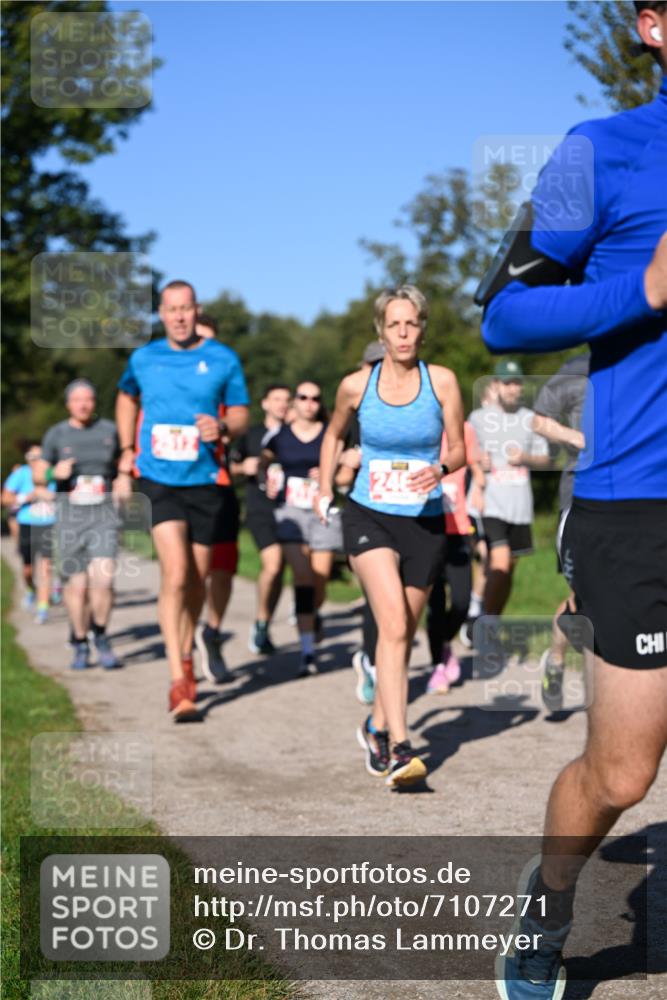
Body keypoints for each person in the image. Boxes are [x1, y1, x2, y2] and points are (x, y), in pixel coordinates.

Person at [479, 5, 667, 996]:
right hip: (639, 500)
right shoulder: (600, 152)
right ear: (651, 25)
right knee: (623, 773)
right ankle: (546, 910)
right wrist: (642, 286)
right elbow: (503, 315)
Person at [319, 285, 465, 787]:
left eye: (412, 324)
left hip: (423, 520)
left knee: (399, 632)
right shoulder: (355, 386)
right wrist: (323, 489)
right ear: (380, 331)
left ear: (422, 328)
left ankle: (376, 725)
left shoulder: (442, 381)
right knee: (396, 625)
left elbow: (462, 448)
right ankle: (402, 749)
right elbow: (333, 434)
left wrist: (441, 467)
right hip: (368, 515)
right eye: (393, 325)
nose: (403, 333)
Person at [116, 280, 249, 721]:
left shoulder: (222, 358)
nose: (178, 316)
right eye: (171, 309)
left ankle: (188, 651)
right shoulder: (143, 357)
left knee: (198, 577)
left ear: (197, 311)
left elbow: (243, 414)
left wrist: (224, 429)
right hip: (157, 477)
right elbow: (124, 396)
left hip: (205, 478)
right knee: (174, 573)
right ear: (161, 312)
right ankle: (179, 678)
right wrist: (125, 450)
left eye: (186, 309)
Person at [34, 380, 124, 669]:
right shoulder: (56, 433)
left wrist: (125, 480)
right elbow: (38, 475)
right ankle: (80, 640)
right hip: (70, 517)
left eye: (88, 399)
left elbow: (125, 463)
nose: (83, 405)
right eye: (77, 400)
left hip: (104, 514)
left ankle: (100, 633)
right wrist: (52, 471)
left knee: (104, 579)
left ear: (95, 402)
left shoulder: (110, 430)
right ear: (68, 404)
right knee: (78, 586)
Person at [468, 360, 550, 663]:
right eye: (506, 382)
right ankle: (483, 624)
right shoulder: (479, 418)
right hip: (490, 502)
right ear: (496, 386)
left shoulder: (531, 419)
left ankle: (489, 622)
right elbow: (463, 450)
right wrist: (479, 464)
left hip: (520, 505)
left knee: (509, 568)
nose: (512, 388)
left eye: (516, 383)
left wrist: (525, 456)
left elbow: (544, 458)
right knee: (498, 560)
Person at [261, 380, 343, 676]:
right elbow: (264, 462)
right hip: (291, 512)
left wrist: (330, 472)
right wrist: (267, 476)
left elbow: (346, 468)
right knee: (303, 576)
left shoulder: (331, 435)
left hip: (323, 511)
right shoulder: (279, 436)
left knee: (319, 580)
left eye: (315, 398)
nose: (309, 402)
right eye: (303, 397)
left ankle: (312, 614)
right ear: (295, 402)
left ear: (320, 403)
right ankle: (308, 652)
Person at [532, 354, 589, 711]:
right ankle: (555, 660)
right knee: (583, 595)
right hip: (582, 497)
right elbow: (537, 419)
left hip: (643, 500)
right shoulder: (579, 368)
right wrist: (577, 438)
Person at [192, 312, 243, 683]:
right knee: (187, 573)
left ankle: (211, 630)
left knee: (223, 570)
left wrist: (225, 429)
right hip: (179, 490)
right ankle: (182, 649)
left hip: (220, 485)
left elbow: (241, 421)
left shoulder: (225, 381)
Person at [229, 384, 292, 656]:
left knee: (279, 571)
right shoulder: (251, 434)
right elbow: (228, 467)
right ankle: (261, 621)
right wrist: (243, 467)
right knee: (274, 562)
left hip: (291, 510)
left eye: (286, 400)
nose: (281, 404)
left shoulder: (297, 435)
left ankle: (264, 622)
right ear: (265, 403)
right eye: (276, 398)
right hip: (260, 509)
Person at [426, 421, 484, 693]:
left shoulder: (465, 430)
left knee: (462, 601)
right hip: (426, 529)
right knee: (435, 603)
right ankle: (438, 665)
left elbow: (474, 467)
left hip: (459, 528)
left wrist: (481, 488)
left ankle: (445, 643)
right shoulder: (417, 424)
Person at [346, 341, 386, 706]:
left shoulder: (414, 404)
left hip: (408, 510)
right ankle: (372, 663)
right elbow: (332, 451)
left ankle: (378, 660)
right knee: (377, 595)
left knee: (398, 604)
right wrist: (347, 461)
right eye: (372, 364)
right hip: (362, 510)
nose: (378, 370)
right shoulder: (351, 409)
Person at [2, 444, 56, 624]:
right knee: (28, 570)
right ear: (27, 458)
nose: (36, 460)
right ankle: (32, 590)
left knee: (46, 566)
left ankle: (43, 608)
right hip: (27, 524)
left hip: (50, 524)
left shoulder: (53, 473)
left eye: (40, 457)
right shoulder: (21, 474)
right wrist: (26, 497)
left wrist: (51, 496)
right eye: (32, 457)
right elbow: (5, 498)